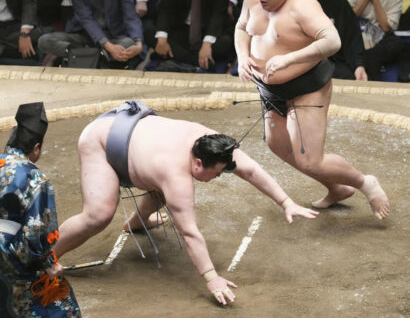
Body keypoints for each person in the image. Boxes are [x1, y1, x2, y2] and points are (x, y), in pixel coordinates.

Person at [52, 100, 319, 306]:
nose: (217, 178)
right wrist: (211, 277)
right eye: (215, 173)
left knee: (160, 190)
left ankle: (137, 222)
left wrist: (286, 202)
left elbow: (250, 169)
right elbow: (189, 232)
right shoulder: (176, 176)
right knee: (98, 214)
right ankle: (44, 260)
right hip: (103, 140)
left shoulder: (213, 143)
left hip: (134, 132)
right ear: (198, 162)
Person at [234, 0, 390, 221]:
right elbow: (241, 27)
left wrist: (288, 59)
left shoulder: (303, 6)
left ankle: (366, 183)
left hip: (306, 86)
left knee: (310, 159)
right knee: (278, 145)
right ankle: (337, 188)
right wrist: (241, 57)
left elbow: (332, 41)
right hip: (270, 89)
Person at [0, 102, 81, 317]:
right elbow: (36, 234)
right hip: (13, 263)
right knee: (63, 307)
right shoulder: (35, 179)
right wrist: (48, 263)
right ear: (36, 148)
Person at [291, 0, 367, 80]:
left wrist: (359, 65)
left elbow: (351, 34)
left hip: (327, 60)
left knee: (346, 77)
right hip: (290, 58)